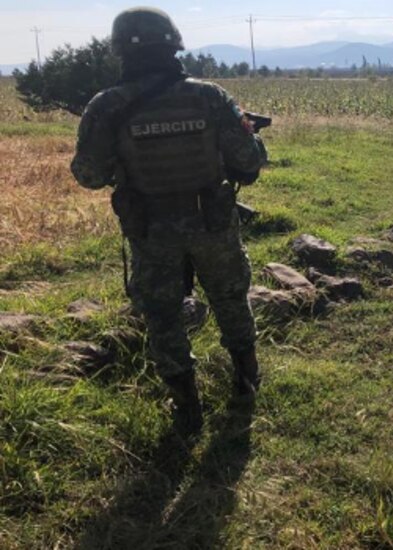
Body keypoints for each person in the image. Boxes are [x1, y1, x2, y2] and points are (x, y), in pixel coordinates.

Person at [71, 7, 267, 437]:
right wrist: (253, 136)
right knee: (231, 298)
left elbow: (89, 175)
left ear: (120, 49)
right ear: (174, 43)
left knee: (162, 314)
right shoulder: (210, 96)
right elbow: (249, 160)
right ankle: (246, 384)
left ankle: (187, 408)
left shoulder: (107, 106)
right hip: (211, 220)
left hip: (151, 227)